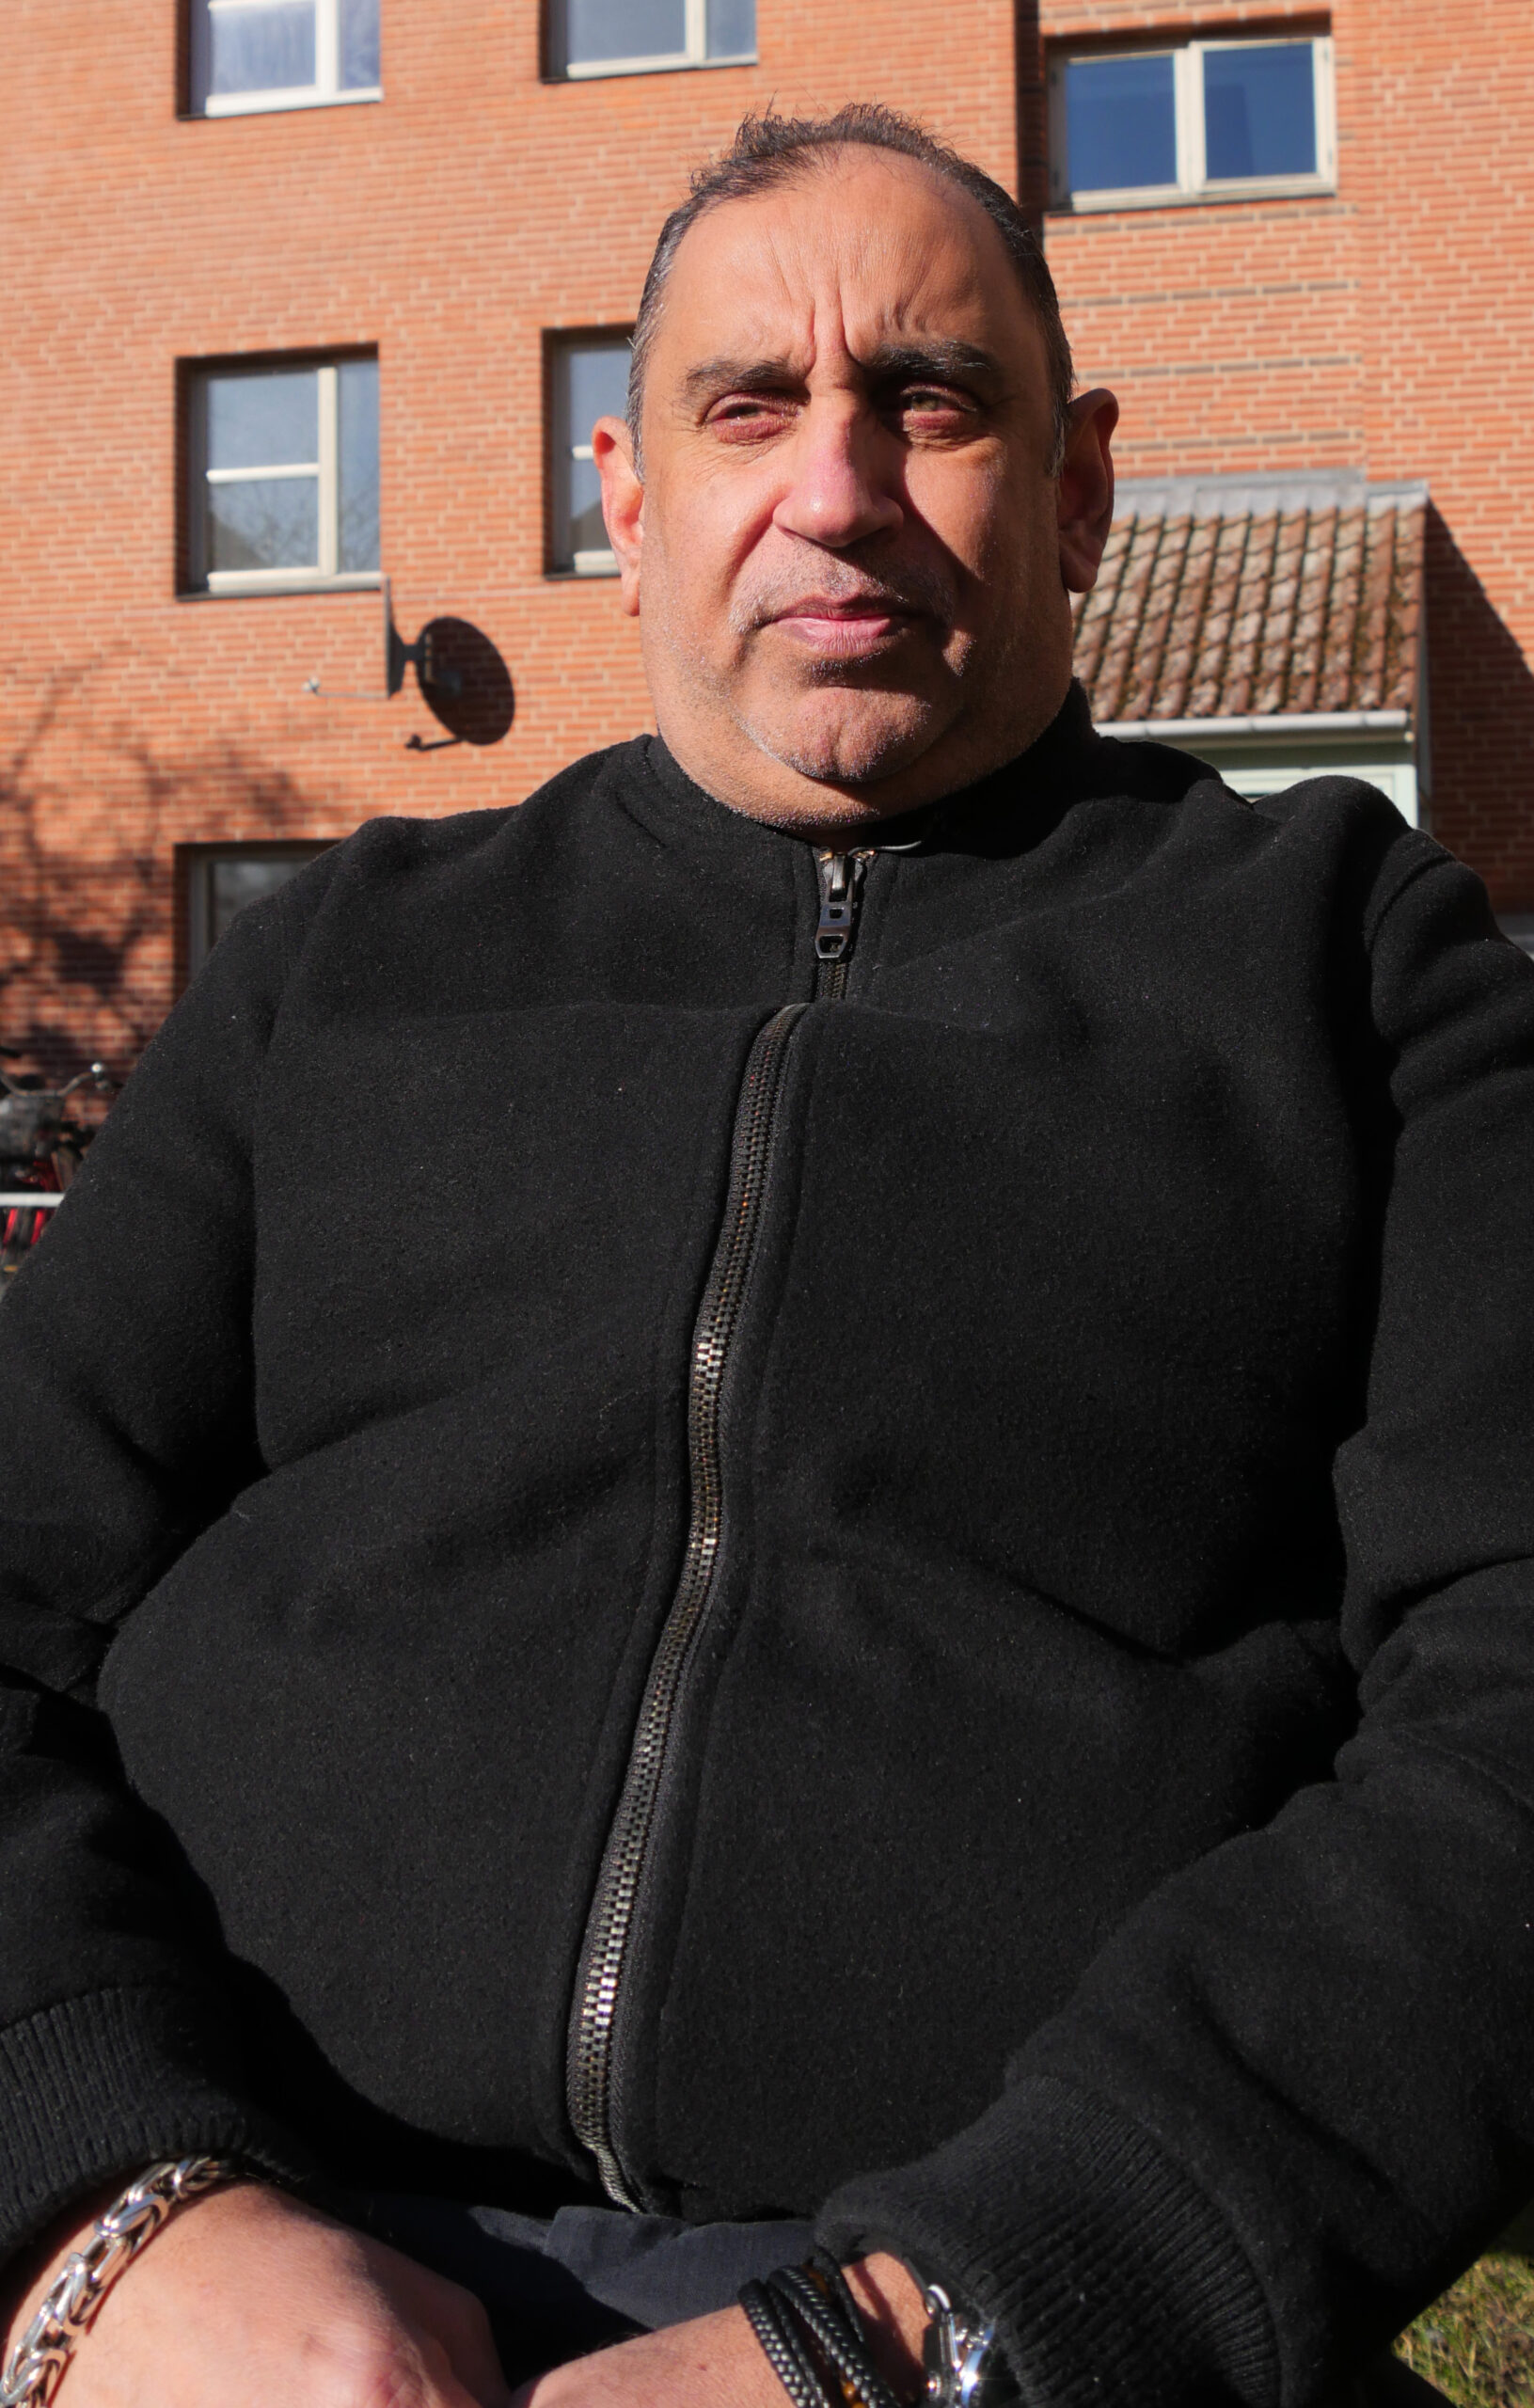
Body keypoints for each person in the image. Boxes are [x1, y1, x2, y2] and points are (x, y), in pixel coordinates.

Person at [1, 100, 1531, 2408]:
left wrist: (969, 2319)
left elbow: (1513, 1693)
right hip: (239, 2259)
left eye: (932, 397)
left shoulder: (1358, 965)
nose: (837, 484)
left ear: (1081, 486)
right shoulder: (344, 964)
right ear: (625, 501)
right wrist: (105, 2206)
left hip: (1002, 2315)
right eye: (750, 405)